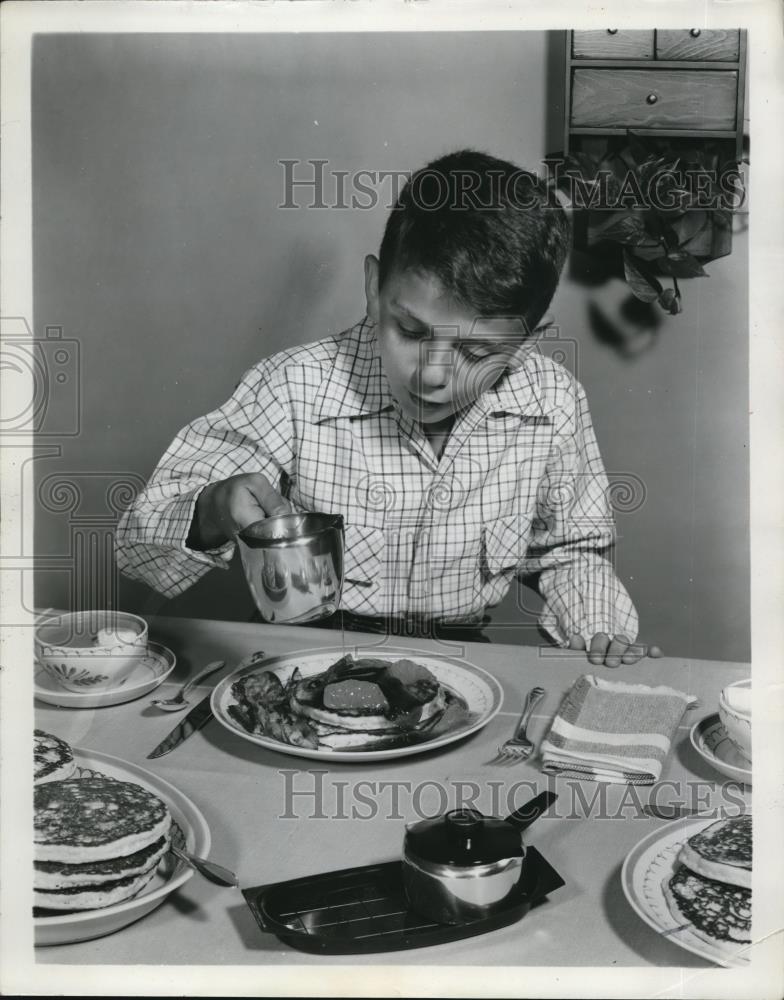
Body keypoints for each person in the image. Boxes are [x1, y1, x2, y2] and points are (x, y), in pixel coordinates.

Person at [116, 149, 661, 667]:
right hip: (301, 656)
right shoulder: (294, 384)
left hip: (458, 660)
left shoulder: (552, 402)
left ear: (525, 341)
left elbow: (570, 552)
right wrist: (212, 508)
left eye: (478, 352)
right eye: (410, 330)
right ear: (375, 289)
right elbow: (135, 548)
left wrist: (599, 628)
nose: (432, 375)